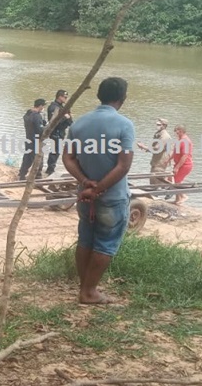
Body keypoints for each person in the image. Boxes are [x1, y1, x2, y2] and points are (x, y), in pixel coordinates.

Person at [62, 77, 135, 305]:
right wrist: (100, 188)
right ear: (122, 98)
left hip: (85, 195)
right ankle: (89, 291)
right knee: (105, 242)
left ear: (98, 96)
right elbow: (123, 165)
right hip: (111, 197)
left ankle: (85, 288)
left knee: (85, 240)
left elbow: (68, 158)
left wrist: (86, 183)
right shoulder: (125, 125)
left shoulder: (79, 124)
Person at [137, 117, 171, 186]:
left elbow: (157, 148)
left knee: (156, 180)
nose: (157, 126)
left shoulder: (165, 136)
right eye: (157, 124)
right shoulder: (158, 134)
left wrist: (144, 147)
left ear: (164, 126)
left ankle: (170, 188)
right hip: (156, 160)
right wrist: (145, 148)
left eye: (159, 125)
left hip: (160, 161)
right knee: (154, 180)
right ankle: (167, 189)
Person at [45, 89, 73, 176]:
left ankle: (51, 168)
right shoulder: (53, 107)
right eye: (64, 97)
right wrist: (65, 117)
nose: (66, 99)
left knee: (57, 150)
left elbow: (70, 120)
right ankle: (50, 169)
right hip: (55, 131)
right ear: (59, 97)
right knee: (54, 150)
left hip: (61, 131)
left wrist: (68, 118)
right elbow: (54, 122)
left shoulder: (64, 108)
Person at [18, 98, 47, 180]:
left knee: (27, 157)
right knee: (38, 159)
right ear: (40, 106)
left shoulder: (27, 114)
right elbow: (40, 130)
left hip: (28, 139)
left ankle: (22, 174)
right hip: (36, 141)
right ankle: (37, 176)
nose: (43, 108)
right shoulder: (37, 116)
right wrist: (45, 126)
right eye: (43, 106)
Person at [166, 124, 193, 205]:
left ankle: (183, 196)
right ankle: (177, 200)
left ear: (181, 131)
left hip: (185, 165)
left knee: (177, 181)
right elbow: (175, 152)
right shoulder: (180, 140)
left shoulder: (185, 141)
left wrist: (177, 167)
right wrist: (168, 159)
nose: (175, 132)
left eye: (176, 131)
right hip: (179, 164)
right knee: (173, 179)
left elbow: (185, 155)